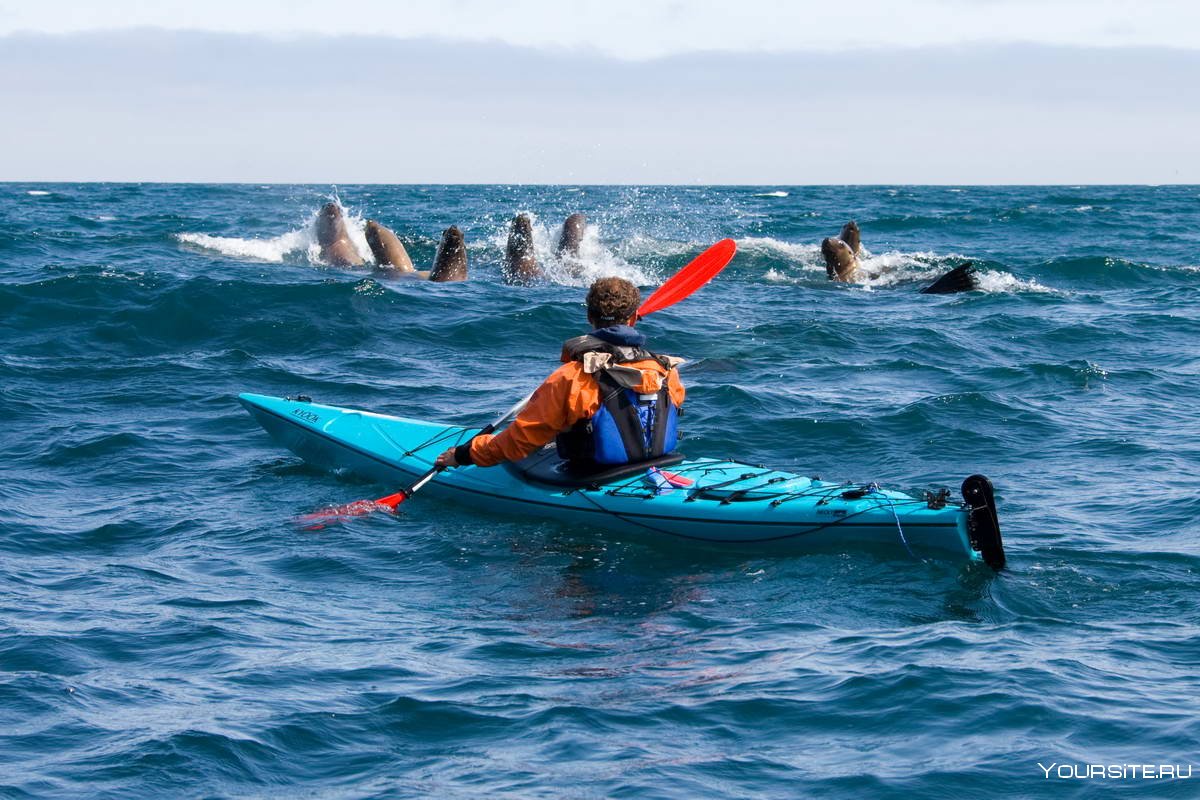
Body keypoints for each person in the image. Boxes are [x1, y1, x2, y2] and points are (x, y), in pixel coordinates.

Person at [435, 277, 685, 471]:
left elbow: (517, 443)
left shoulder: (571, 377)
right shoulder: (665, 369)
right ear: (632, 319)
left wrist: (463, 455)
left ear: (589, 317)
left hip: (592, 473)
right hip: (656, 463)